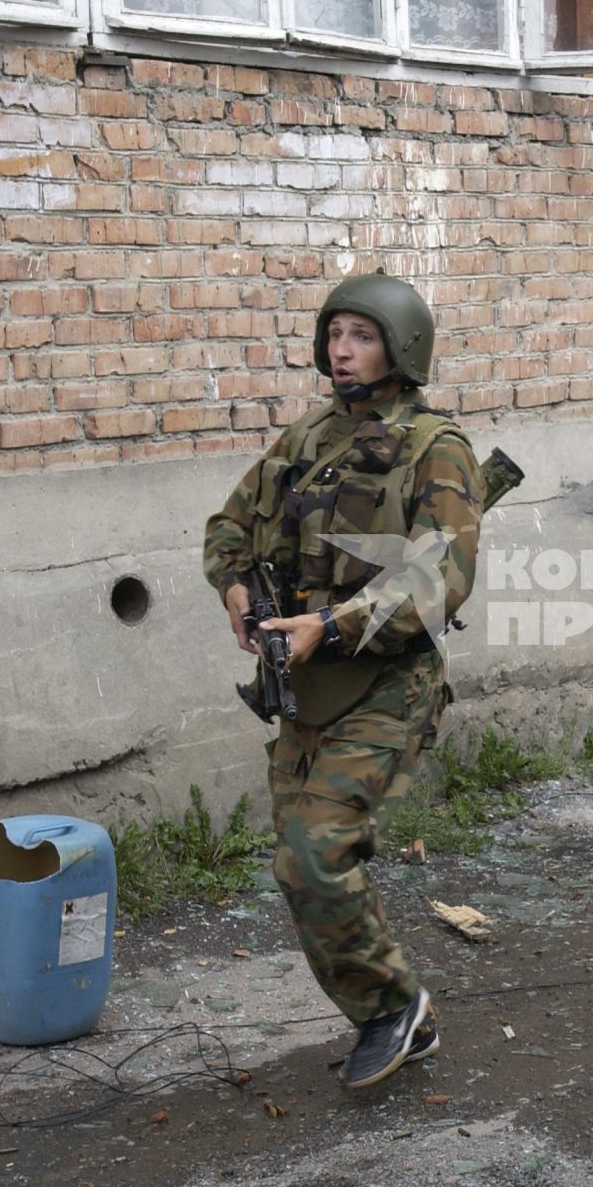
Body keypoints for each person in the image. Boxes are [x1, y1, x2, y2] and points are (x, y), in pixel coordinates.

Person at [203, 271, 483, 1090]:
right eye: (335, 335)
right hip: (306, 684)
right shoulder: (310, 437)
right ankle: (394, 1012)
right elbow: (229, 525)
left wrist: (330, 626)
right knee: (297, 863)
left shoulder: (439, 449)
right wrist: (236, 588)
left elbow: (438, 578)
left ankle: (392, 1005)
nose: (342, 350)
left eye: (360, 336)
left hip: (388, 683)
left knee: (317, 850)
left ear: (400, 348)